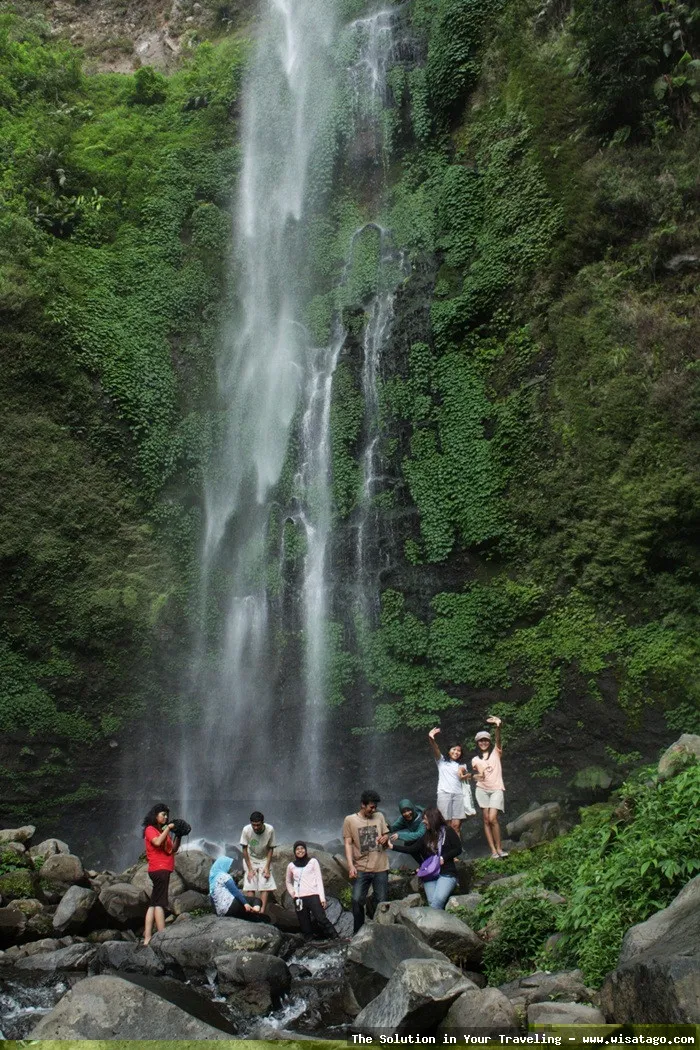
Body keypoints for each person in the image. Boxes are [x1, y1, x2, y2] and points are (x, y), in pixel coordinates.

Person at [389, 804, 462, 909]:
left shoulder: (448, 831)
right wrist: (392, 847)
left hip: (447, 873)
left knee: (438, 901)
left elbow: (458, 849)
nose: (423, 822)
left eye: (425, 819)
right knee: (433, 902)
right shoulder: (426, 835)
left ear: (433, 819)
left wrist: (443, 858)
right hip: (430, 874)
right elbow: (412, 849)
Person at [343, 789, 390, 933]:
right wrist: (351, 865)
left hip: (380, 866)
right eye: (371, 807)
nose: (374, 809)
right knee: (357, 899)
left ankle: (380, 932)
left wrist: (385, 838)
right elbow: (348, 843)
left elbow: (386, 835)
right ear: (363, 805)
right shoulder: (350, 820)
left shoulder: (379, 816)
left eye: (375, 807)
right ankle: (358, 931)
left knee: (381, 901)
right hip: (361, 867)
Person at [142, 802, 181, 945]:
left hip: (163, 869)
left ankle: (147, 938)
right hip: (159, 869)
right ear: (155, 815)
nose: (166, 817)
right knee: (160, 903)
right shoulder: (150, 829)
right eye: (163, 815)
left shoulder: (162, 832)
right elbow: (157, 842)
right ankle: (161, 936)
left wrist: (178, 835)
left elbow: (172, 850)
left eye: (167, 815)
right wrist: (169, 828)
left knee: (153, 903)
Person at [285, 841, 338, 941]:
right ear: (294, 851)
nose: (300, 851)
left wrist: (322, 897)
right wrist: (293, 893)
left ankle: (335, 937)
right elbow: (288, 881)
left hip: (313, 895)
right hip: (299, 898)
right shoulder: (291, 866)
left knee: (321, 918)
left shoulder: (313, 862)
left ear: (305, 850)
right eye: (297, 849)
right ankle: (310, 943)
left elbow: (319, 880)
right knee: (304, 923)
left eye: (302, 848)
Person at [472, 715, 508, 859]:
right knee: (486, 820)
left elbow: (498, 740)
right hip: (481, 790)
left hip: (496, 788)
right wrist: (477, 776)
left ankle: (500, 849)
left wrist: (498, 726)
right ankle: (493, 851)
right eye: (481, 740)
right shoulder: (475, 758)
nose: (484, 742)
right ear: (477, 742)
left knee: (493, 818)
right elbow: (478, 773)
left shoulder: (496, 752)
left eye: (486, 740)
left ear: (489, 741)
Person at [427, 726, 471, 833]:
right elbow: (436, 749)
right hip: (444, 794)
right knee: (445, 823)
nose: (456, 752)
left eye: (459, 750)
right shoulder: (441, 761)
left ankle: (457, 848)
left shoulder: (462, 764)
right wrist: (431, 738)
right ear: (449, 750)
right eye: (454, 749)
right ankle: (444, 847)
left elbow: (462, 772)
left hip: (458, 795)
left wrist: (465, 775)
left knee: (456, 825)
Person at [209, 856, 271, 922]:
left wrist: (217, 913)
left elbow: (212, 898)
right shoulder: (224, 876)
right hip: (231, 906)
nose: (229, 867)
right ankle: (255, 911)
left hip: (221, 912)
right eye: (228, 865)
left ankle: (256, 916)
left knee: (248, 917)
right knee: (257, 900)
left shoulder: (213, 878)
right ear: (223, 865)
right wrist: (245, 903)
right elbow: (235, 891)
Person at [240, 811, 277, 913]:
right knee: (250, 884)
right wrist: (250, 869)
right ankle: (252, 910)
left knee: (264, 884)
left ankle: (262, 911)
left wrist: (267, 867)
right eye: (253, 825)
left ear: (263, 823)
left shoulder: (270, 830)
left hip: (264, 858)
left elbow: (270, 848)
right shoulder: (246, 830)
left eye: (258, 825)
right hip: (251, 858)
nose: (255, 827)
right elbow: (244, 849)